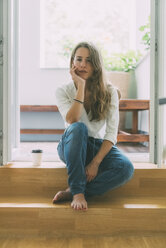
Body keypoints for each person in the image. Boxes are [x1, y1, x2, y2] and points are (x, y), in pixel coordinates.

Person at [53, 41, 134, 211]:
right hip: (71, 144)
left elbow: (111, 132)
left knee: (126, 168)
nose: (83, 65)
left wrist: (96, 162)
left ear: (96, 65)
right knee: (79, 128)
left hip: (95, 146)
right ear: (72, 63)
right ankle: (77, 193)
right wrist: (81, 86)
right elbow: (73, 120)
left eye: (88, 60)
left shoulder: (110, 91)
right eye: (79, 59)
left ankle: (73, 191)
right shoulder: (63, 90)